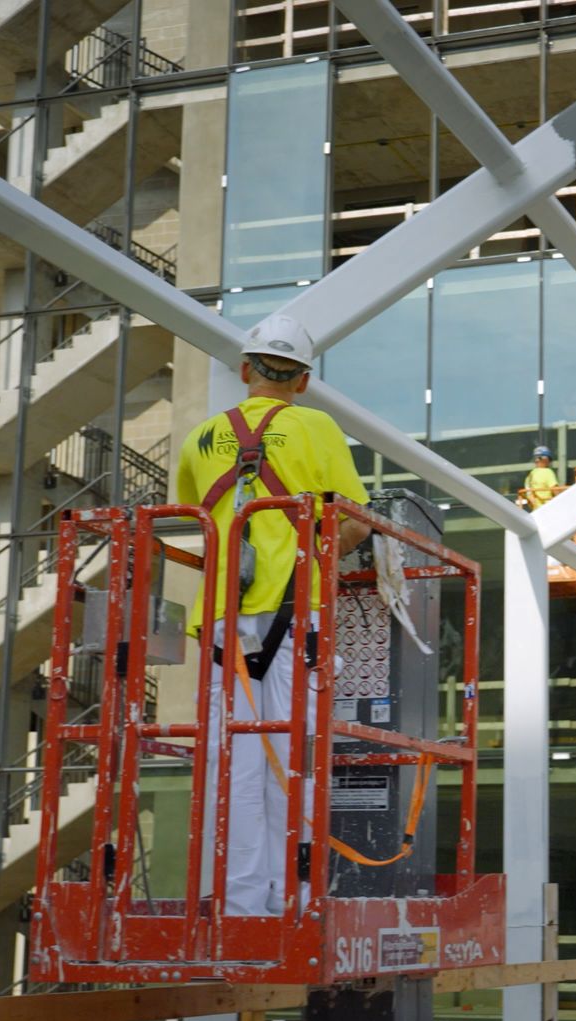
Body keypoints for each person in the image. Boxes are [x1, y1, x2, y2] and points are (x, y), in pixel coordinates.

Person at [175, 311, 370, 916]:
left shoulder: (202, 437)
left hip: (223, 623)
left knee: (231, 759)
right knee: (296, 754)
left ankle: (239, 905)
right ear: (303, 381)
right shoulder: (315, 427)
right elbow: (355, 521)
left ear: (244, 371)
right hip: (295, 613)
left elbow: (190, 518)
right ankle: (298, 898)